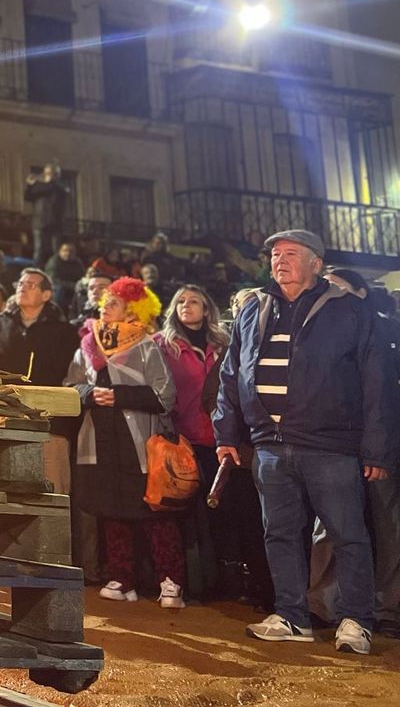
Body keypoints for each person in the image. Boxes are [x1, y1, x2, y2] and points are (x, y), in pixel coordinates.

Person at [215, 230, 391, 654]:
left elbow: (377, 382)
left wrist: (378, 449)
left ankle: (356, 622)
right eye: (275, 254)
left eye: (291, 254)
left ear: (316, 263)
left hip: (331, 445)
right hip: (271, 445)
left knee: (347, 535)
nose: (280, 261)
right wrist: (226, 433)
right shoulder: (253, 307)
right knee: (280, 534)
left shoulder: (349, 309)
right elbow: (231, 374)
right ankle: (292, 616)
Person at [67, 277, 184, 608]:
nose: (106, 307)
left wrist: (118, 396)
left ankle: (169, 581)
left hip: (139, 443)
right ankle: (122, 578)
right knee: (111, 510)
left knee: (154, 512)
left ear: (133, 309)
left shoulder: (146, 345)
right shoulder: (86, 346)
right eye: (105, 302)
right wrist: (90, 394)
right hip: (100, 439)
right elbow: (70, 385)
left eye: (114, 302)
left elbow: (165, 396)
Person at [308, 270, 400, 638]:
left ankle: (387, 608)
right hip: (333, 445)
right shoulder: (314, 330)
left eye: (338, 288)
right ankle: (321, 604)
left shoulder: (388, 331)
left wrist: (380, 449)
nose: (329, 294)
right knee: (328, 527)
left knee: (387, 527)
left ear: (361, 294)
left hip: (382, 447)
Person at [154, 283, 236, 601]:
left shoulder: (225, 343)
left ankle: (225, 582)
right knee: (186, 517)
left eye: (194, 301)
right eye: (180, 301)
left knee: (222, 513)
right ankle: (192, 582)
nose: (186, 306)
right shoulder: (161, 345)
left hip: (220, 441)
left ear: (207, 309)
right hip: (181, 442)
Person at [0, 267, 80, 494]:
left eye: (31, 285)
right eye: (20, 283)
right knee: (4, 489)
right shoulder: (0, 325)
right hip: (5, 420)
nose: (23, 287)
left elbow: (71, 378)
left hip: (49, 424)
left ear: (46, 295)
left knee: (51, 490)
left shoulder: (63, 332)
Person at [24, 165, 70, 265]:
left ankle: (55, 270)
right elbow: (28, 197)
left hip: (55, 223)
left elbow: (62, 191)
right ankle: (36, 271)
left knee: (55, 250)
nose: (49, 176)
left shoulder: (59, 187)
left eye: (51, 174)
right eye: (47, 173)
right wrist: (30, 185)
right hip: (40, 221)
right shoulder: (40, 187)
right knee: (39, 249)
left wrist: (39, 183)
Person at [45, 242, 85, 308]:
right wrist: (72, 285)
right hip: (56, 288)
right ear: (60, 251)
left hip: (72, 288)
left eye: (71, 251)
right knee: (59, 289)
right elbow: (53, 279)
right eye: (65, 250)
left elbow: (82, 277)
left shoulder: (77, 262)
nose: (68, 253)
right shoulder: (54, 261)